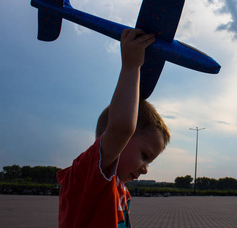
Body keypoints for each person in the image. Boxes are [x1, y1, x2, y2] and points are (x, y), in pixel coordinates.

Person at [56, 29, 171, 228]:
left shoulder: (119, 189)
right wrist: (131, 65)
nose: (145, 169)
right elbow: (122, 127)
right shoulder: (86, 177)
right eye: (145, 155)